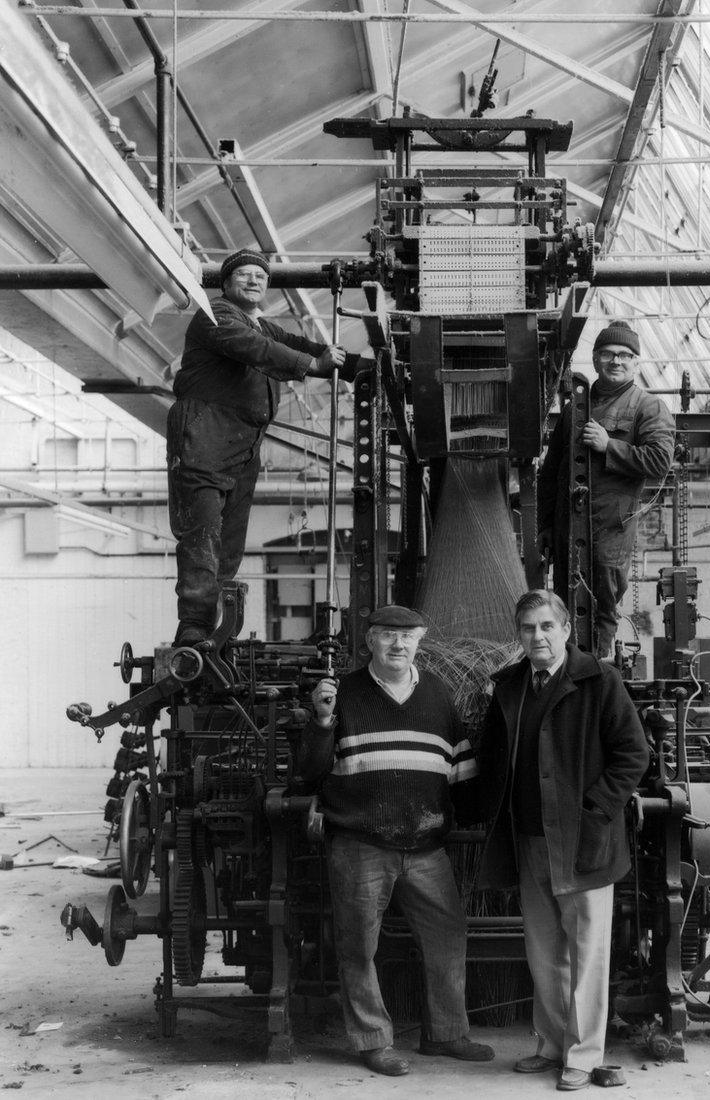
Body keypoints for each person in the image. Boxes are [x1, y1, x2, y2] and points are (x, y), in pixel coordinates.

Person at [300, 604, 494, 1077]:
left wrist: (484, 815)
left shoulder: (438, 694)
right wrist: (322, 723)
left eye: (408, 636)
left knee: (448, 938)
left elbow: (461, 767)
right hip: (360, 844)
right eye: (387, 635)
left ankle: (446, 1034)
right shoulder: (340, 694)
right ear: (369, 642)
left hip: (426, 846)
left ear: (421, 641)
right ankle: (373, 1042)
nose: (398, 644)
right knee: (358, 947)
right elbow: (309, 774)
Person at [477, 590, 649, 1091]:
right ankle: (551, 1045)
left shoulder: (599, 680)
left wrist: (596, 810)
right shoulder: (510, 685)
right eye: (528, 629)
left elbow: (633, 755)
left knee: (587, 952)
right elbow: (492, 756)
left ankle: (583, 1054)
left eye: (547, 627)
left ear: (566, 631)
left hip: (582, 842)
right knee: (543, 950)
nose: (538, 637)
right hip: (529, 838)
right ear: (519, 635)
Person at [167, 248, 360, 646]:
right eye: (245, 275)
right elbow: (256, 350)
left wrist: (357, 367)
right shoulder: (215, 315)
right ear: (225, 284)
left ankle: (215, 630)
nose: (255, 280)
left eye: (261, 275)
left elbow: (299, 344)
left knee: (229, 543)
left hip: (242, 445)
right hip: (205, 438)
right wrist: (314, 367)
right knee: (202, 536)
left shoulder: (263, 326)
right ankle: (193, 628)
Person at [538, 320, 675, 658]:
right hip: (567, 525)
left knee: (601, 602)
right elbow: (550, 472)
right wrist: (544, 525)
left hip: (610, 527)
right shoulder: (573, 410)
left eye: (625, 355)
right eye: (609, 354)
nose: (617, 361)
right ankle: (564, 669)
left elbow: (659, 461)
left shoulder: (648, 407)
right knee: (564, 601)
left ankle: (597, 672)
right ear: (597, 358)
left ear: (635, 362)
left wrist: (608, 445)